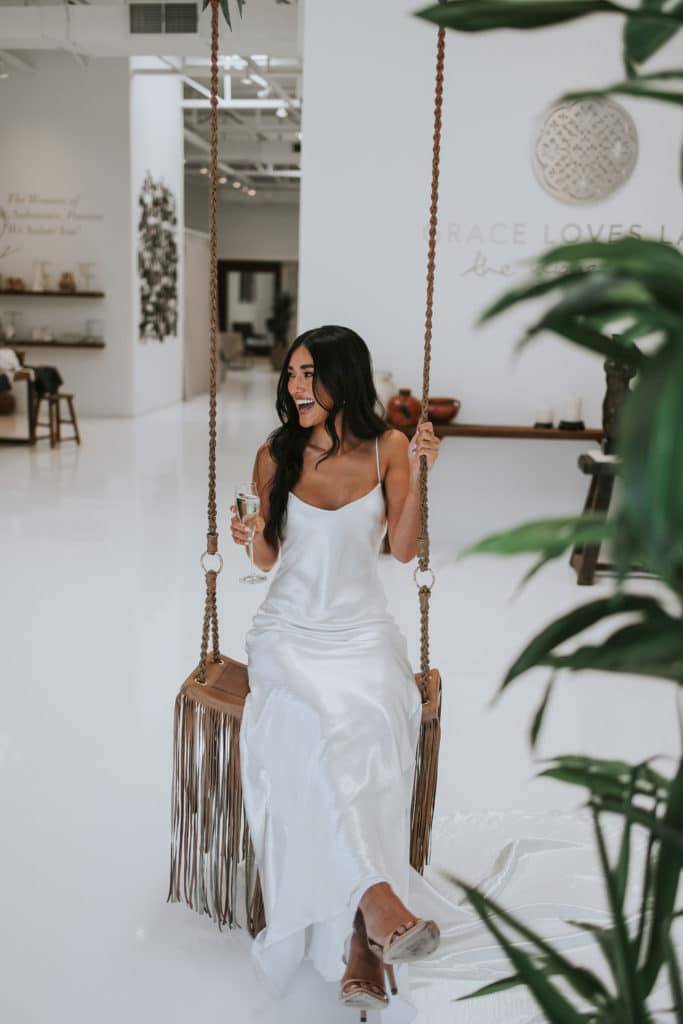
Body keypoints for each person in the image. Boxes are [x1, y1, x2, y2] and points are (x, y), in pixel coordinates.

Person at [229, 324, 441, 1014]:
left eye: (309, 374)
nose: (295, 388)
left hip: (361, 631)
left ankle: (360, 935)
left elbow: (404, 551)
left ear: (344, 377)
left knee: (371, 723)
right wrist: (250, 534)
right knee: (308, 721)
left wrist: (421, 474)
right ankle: (374, 913)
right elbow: (266, 561)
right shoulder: (274, 453)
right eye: (290, 374)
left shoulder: (387, 450)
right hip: (288, 631)